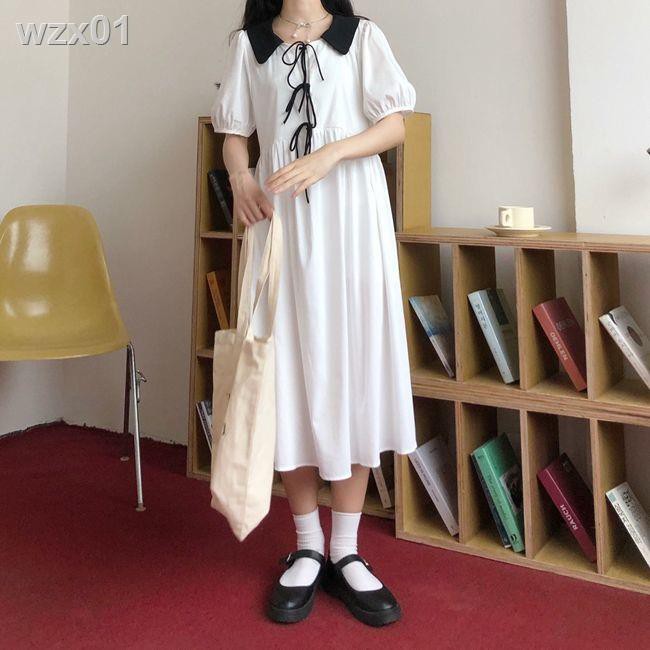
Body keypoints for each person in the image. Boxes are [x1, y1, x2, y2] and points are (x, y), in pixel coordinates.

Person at [211, 0, 417, 627]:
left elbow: (394, 126)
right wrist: (241, 178)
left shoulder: (361, 37)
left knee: (354, 368)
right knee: (285, 375)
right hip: (280, 225)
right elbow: (234, 134)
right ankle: (306, 544)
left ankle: (345, 549)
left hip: (351, 217)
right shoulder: (250, 45)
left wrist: (333, 153)